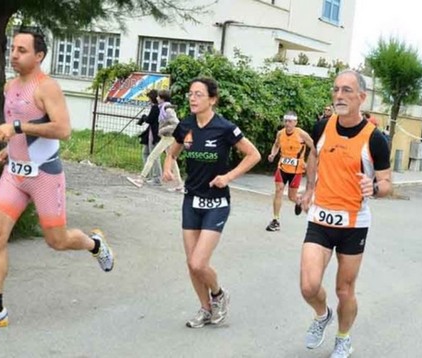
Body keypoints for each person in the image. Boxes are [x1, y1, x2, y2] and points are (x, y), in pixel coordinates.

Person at [0, 28, 114, 328]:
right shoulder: (10, 86)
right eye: (13, 49)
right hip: (15, 174)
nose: (14, 55)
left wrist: (17, 128)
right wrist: (11, 148)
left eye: (22, 50)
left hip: (44, 174)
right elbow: (23, 129)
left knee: (56, 241)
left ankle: (94, 244)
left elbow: (62, 129)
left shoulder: (48, 88)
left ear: (39, 56)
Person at [299, 70, 391, 358]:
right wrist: (309, 188)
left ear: (362, 97)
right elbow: (314, 156)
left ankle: (343, 337)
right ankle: (322, 314)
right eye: (336, 89)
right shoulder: (322, 127)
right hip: (320, 216)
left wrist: (374, 187)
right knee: (308, 285)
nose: (339, 95)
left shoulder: (375, 139)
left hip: (354, 222)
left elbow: (388, 183)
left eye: (347, 90)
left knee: (344, 289)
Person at [162, 77, 260, 328]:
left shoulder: (225, 128)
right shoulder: (185, 126)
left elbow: (253, 155)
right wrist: (167, 168)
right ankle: (205, 309)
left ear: (212, 99)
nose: (192, 99)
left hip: (216, 203)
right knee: (191, 264)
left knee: (198, 262)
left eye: (198, 94)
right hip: (191, 200)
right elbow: (172, 152)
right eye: (190, 94)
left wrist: (228, 177)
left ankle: (218, 294)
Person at [265, 111, 315, 231]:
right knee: (279, 190)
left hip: (296, 170)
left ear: (295, 122)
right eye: (286, 121)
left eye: (290, 121)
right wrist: (273, 154)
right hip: (282, 168)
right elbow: (276, 145)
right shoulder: (280, 134)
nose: (287, 123)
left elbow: (314, 147)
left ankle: (299, 201)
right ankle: (275, 220)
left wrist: (310, 163)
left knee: (292, 197)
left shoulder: (302, 134)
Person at [127, 89, 184, 191]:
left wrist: (162, 130)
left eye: (158, 97)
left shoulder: (167, 109)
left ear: (162, 98)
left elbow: (176, 124)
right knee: (172, 160)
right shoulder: (163, 108)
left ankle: (140, 179)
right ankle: (180, 185)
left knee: (151, 157)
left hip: (168, 137)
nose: (156, 98)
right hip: (167, 137)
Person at [136, 89, 162, 185]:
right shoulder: (156, 107)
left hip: (154, 134)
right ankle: (147, 174)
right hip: (151, 133)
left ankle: (157, 178)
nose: (148, 100)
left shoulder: (156, 107)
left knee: (154, 156)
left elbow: (150, 120)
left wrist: (144, 117)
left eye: (149, 98)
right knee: (145, 152)